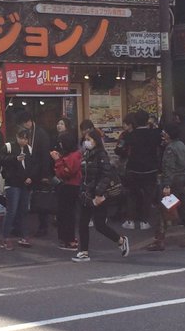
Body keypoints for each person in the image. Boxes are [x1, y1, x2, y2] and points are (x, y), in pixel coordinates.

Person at [73, 128, 128, 262]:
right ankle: (84, 252)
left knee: (99, 225)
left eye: (89, 139)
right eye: (85, 140)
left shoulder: (101, 155)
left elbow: (106, 175)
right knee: (83, 223)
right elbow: (85, 175)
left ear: (96, 141)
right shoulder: (87, 154)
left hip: (98, 195)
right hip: (87, 194)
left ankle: (121, 240)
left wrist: (99, 193)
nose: (86, 142)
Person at [148, 122, 185, 250]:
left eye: (165, 132)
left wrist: (166, 185)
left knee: (163, 210)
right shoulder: (181, 145)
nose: (163, 134)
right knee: (181, 209)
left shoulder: (170, 148)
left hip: (172, 183)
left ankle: (159, 240)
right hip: (181, 180)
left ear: (169, 134)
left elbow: (169, 168)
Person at [13, 109, 53, 237]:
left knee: (41, 200)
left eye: (23, 124)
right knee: (24, 201)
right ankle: (20, 227)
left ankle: (43, 227)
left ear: (29, 122)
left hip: (39, 172)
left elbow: (45, 157)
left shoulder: (41, 134)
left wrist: (45, 175)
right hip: (26, 171)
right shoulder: (25, 132)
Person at [119, 109, 160, 230]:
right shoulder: (154, 133)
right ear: (147, 120)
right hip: (150, 169)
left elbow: (121, 149)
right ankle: (144, 221)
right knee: (148, 195)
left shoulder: (129, 135)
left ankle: (130, 220)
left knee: (132, 194)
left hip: (134, 168)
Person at [0, 129, 35, 251]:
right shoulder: (9, 147)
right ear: (16, 137)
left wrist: (30, 177)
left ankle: (24, 236)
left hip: (25, 184)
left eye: (25, 138)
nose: (23, 141)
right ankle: (6, 238)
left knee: (24, 211)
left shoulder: (29, 149)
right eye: (21, 138)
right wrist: (15, 158)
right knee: (11, 211)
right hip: (12, 183)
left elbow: (32, 165)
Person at [50, 131, 82, 250]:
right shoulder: (73, 154)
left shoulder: (73, 156)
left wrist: (58, 160)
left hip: (70, 186)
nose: (60, 145)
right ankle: (66, 238)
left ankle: (69, 240)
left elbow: (65, 173)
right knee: (65, 214)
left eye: (61, 143)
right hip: (69, 186)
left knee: (67, 214)